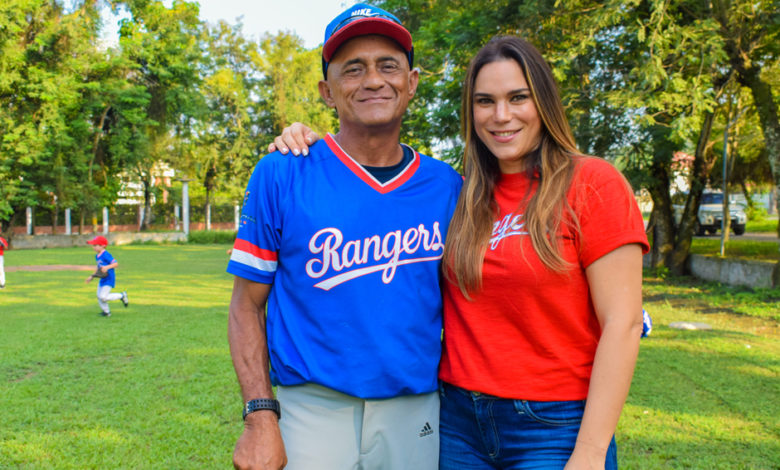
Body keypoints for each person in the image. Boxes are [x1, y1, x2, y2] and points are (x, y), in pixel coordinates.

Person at [271, 35, 649, 470]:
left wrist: (590, 452)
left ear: (543, 102)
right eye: (485, 101)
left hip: (552, 424)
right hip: (457, 422)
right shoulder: (463, 194)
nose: (501, 115)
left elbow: (622, 324)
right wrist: (305, 142)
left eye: (518, 98)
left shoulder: (591, 183)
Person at [225, 3, 462, 470]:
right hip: (311, 407)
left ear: (411, 83)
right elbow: (246, 304)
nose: (373, 80)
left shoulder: (447, 185)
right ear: (327, 91)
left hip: (415, 408)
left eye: (388, 66)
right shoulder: (283, 171)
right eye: (353, 69)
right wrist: (259, 418)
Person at [85, 235, 129, 317]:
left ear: (103, 246)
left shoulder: (106, 254)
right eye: (93, 245)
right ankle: (106, 312)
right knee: (99, 296)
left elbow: (116, 264)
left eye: (95, 245)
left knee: (103, 297)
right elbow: (99, 267)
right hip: (103, 278)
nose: (93, 247)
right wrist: (92, 276)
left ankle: (122, 295)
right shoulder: (97, 256)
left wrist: (107, 267)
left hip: (109, 278)